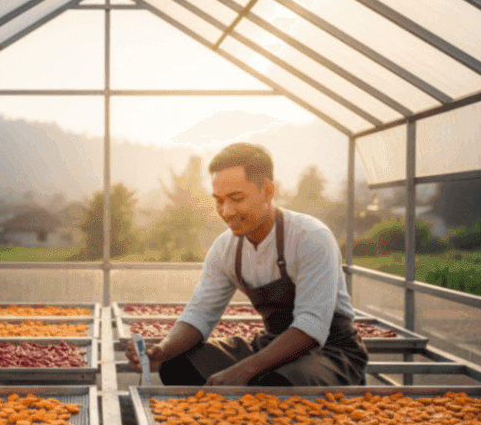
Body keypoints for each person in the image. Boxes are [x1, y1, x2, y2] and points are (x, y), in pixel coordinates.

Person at [126, 142, 367, 387]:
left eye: (236, 198)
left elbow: (312, 325)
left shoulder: (311, 237)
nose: (227, 211)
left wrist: (244, 370)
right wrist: (164, 350)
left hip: (330, 351)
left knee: (276, 386)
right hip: (271, 345)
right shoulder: (225, 249)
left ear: (268, 191)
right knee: (177, 365)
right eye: (219, 200)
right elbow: (200, 313)